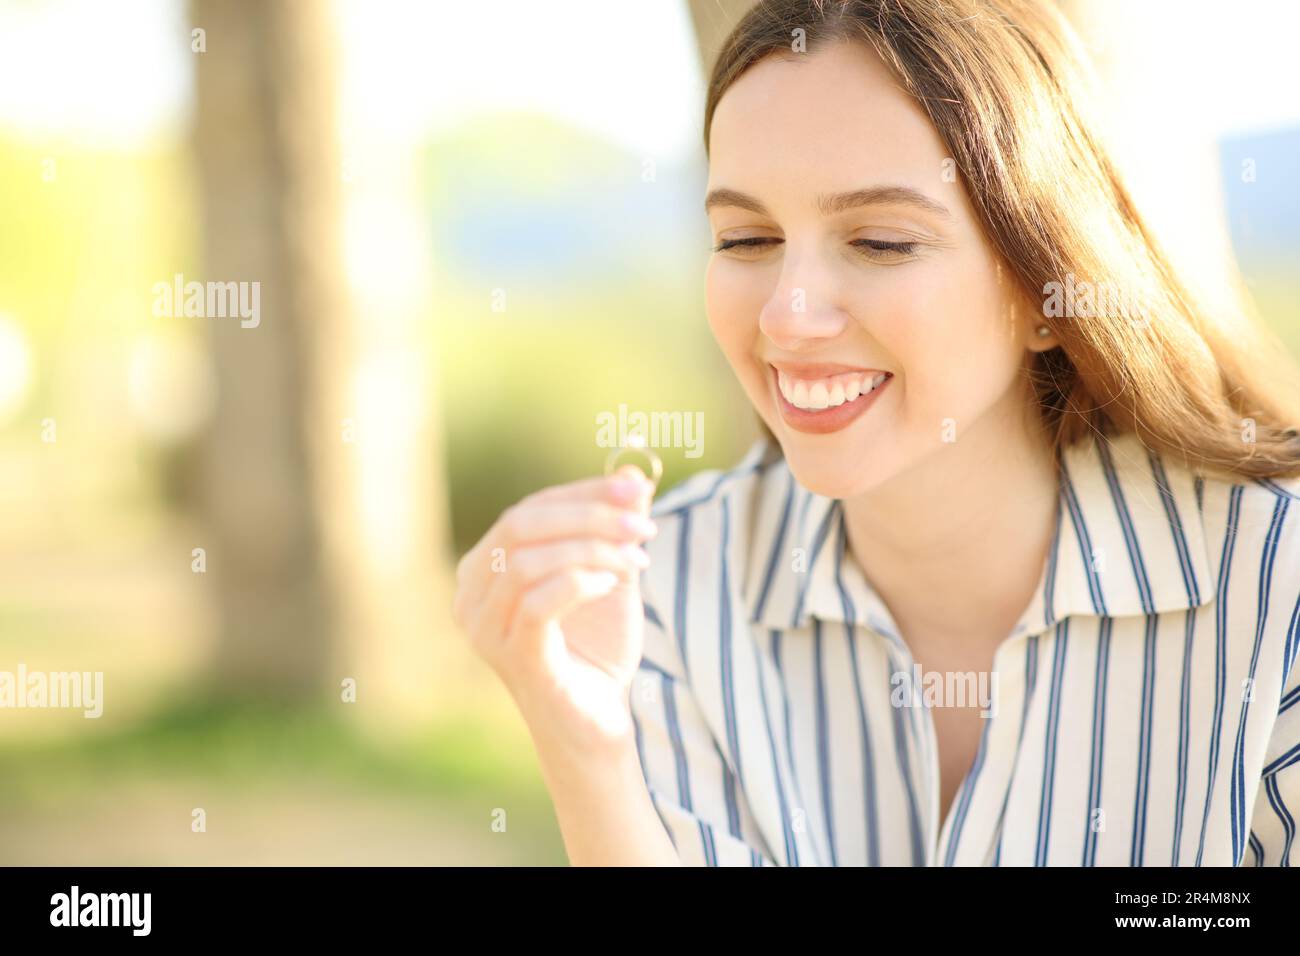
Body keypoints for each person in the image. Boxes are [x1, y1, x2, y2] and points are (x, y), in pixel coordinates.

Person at [451, 0, 1300, 865]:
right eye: (746, 238)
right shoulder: (657, 600)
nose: (788, 315)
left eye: (883, 242)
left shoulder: (1278, 587)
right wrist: (586, 749)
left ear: (1047, 287)